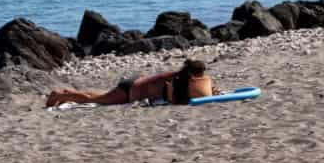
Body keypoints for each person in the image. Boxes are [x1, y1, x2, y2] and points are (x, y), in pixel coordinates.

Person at [45, 59, 214, 108]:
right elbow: (176, 98)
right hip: (130, 91)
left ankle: (68, 92)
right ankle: (61, 96)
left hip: (134, 84)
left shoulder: (178, 77)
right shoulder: (177, 81)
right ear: (193, 74)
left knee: (100, 96)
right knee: (95, 101)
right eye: (200, 74)